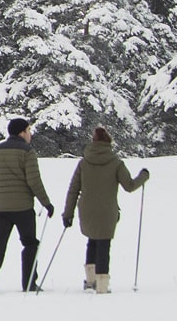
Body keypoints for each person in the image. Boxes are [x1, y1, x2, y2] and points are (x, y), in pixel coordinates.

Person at [62, 125, 150, 294]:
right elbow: (129, 186)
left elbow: (73, 189)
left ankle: (90, 280)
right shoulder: (116, 162)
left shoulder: (84, 162)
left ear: (93, 142)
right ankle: (102, 285)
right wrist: (143, 176)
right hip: (107, 210)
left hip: (86, 209)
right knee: (104, 244)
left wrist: (68, 213)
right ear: (109, 142)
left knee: (92, 241)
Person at [0, 117, 54, 293]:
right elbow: (34, 181)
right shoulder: (27, 151)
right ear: (21, 132)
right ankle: (29, 283)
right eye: (29, 130)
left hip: (0, 208)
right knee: (30, 244)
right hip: (23, 208)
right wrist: (46, 203)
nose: (30, 134)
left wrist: (1, 188)